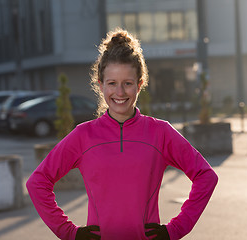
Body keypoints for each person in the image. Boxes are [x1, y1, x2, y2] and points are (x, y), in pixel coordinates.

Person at [26, 28, 218, 240]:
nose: (119, 92)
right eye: (112, 84)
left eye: (127, 83)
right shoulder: (83, 135)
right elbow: (37, 182)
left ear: (140, 84)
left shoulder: (160, 132)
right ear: (100, 85)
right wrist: (69, 233)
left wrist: (176, 229)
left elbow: (206, 176)